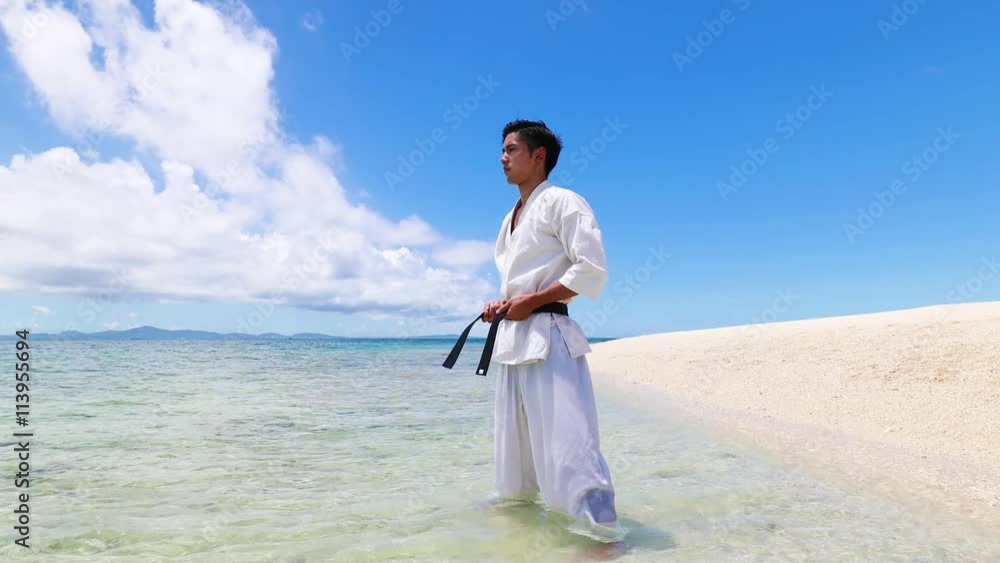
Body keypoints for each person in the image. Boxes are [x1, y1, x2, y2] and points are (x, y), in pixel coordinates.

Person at [482, 119, 625, 543]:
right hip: (513, 344)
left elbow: (592, 269)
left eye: (511, 149)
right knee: (514, 457)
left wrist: (532, 301)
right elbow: (520, 283)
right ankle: (524, 539)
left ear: (538, 155)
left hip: (550, 336)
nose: (502, 158)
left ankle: (603, 537)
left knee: (570, 446)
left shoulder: (563, 201)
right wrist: (503, 303)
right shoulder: (509, 219)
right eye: (502, 150)